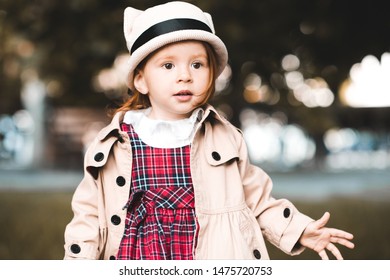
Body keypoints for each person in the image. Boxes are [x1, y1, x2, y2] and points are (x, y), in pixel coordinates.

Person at [64, 1, 354, 260]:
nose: (185, 75)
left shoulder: (225, 138)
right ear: (141, 80)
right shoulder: (112, 146)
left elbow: (258, 200)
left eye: (197, 64)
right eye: (168, 65)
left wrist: (300, 230)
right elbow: (89, 217)